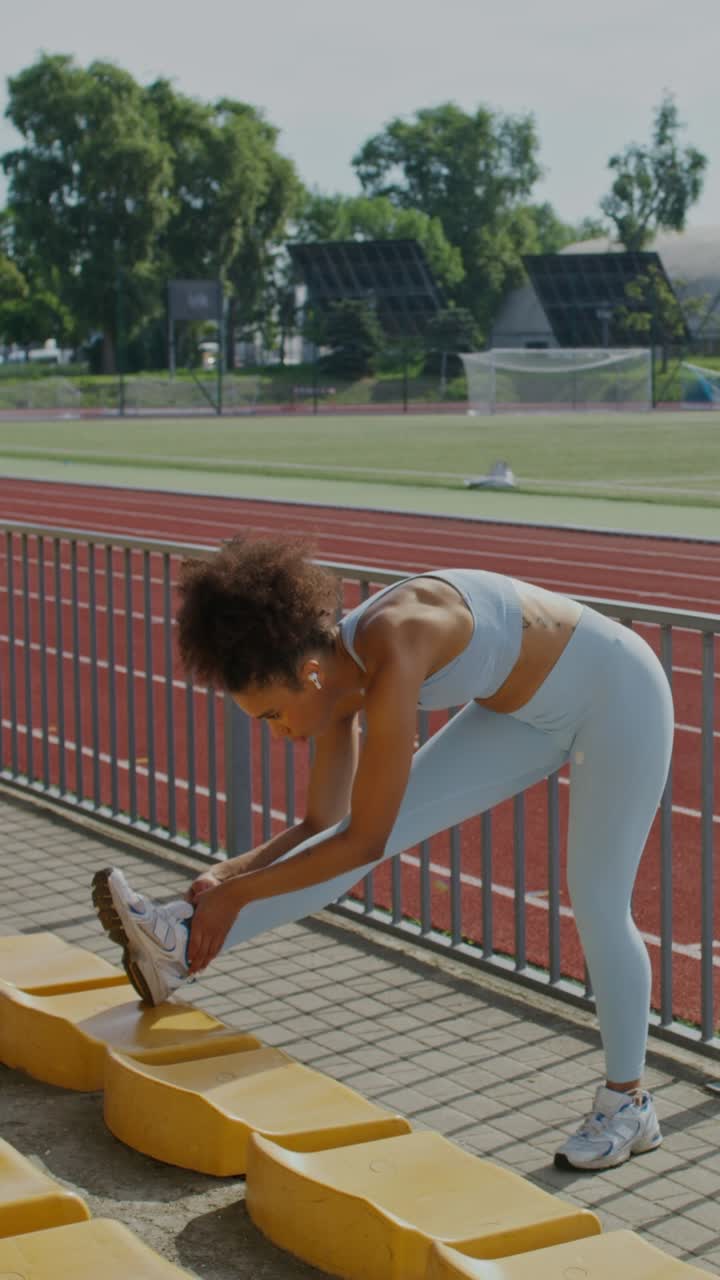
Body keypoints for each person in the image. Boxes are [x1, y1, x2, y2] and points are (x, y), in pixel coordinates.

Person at [92, 535, 674, 1172]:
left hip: (618, 696)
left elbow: (362, 838)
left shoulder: (394, 646)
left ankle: (629, 1104)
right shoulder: (332, 676)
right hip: (523, 712)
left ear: (306, 676)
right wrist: (231, 873)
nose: (280, 733)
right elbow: (324, 824)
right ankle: (177, 945)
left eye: (272, 716)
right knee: (340, 851)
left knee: (594, 896)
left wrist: (236, 894)